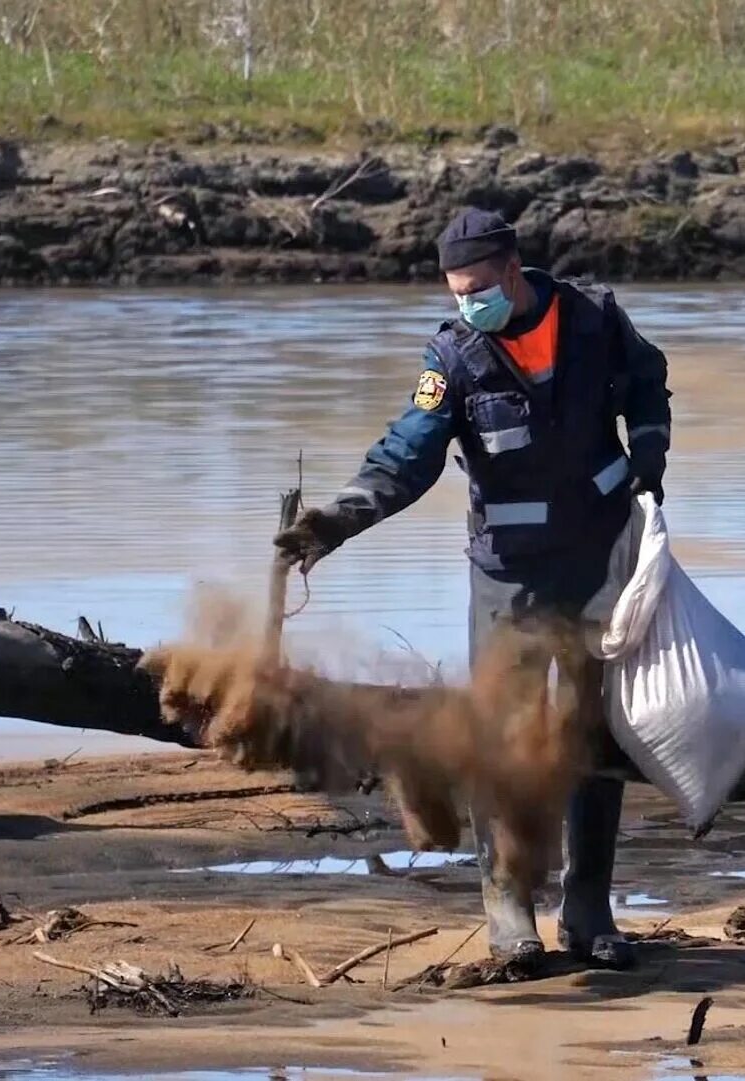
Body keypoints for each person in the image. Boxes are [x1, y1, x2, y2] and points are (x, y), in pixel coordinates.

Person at [273, 208, 673, 968]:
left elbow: (649, 382)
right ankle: (509, 912)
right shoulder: (454, 357)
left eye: (479, 289)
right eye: (457, 292)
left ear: (513, 272)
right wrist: (336, 520)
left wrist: (650, 454)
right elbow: (408, 455)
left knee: (595, 735)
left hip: (601, 560)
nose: (469, 304)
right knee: (505, 739)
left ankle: (589, 910)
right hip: (508, 575)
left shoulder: (594, 319)